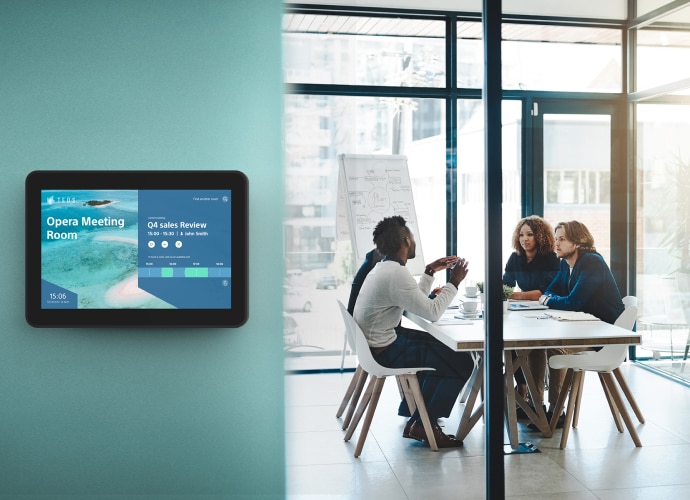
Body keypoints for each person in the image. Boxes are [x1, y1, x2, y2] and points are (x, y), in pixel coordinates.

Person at [353, 216, 475, 448]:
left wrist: (429, 272)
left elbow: (415, 303)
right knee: (461, 360)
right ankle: (422, 423)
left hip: (376, 344)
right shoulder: (395, 273)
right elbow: (432, 312)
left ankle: (417, 417)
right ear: (407, 241)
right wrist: (455, 282)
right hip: (384, 351)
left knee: (444, 348)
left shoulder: (384, 268)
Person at [533, 220, 625, 426]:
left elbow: (574, 302)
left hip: (605, 336)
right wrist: (551, 298)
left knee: (557, 348)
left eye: (562, 239)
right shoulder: (566, 264)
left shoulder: (592, 262)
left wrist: (550, 300)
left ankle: (557, 412)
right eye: (556, 239)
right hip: (584, 328)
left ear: (578, 242)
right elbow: (550, 290)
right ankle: (536, 406)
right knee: (535, 347)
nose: (556, 244)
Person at [502, 215, 560, 403]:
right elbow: (506, 285)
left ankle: (535, 395)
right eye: (521, 235)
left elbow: (545, 291)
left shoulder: (550, 258)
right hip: (524, 311)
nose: (524, 239)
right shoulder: (515, 257)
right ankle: (523, 384)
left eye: (530, 234)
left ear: (540, 236)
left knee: (533, 348)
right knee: (507, 342)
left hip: (546, 312)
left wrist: (517, 295)